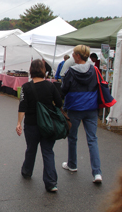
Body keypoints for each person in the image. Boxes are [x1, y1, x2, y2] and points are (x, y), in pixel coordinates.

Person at [16, 59, 62, 192]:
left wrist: (19, 122)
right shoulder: (50, 86)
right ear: (43, 70)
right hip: (48, 124)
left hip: (31, 124)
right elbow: (59, 103)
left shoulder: (26, 87)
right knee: (48, 151)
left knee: (31, 149)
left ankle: (27, 171)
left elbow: (22, 106)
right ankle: (51, 182)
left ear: (31, 70)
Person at [61, 45, 102, 183]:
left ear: (78, 55)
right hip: (91, 108)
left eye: (73, 53)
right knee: (92, 139)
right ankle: (97, 173)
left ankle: (72, 164)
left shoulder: (71, 71)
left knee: (72, 138)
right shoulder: (94, 69)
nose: (72, 55)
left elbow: (64, 89)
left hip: (75, 108)